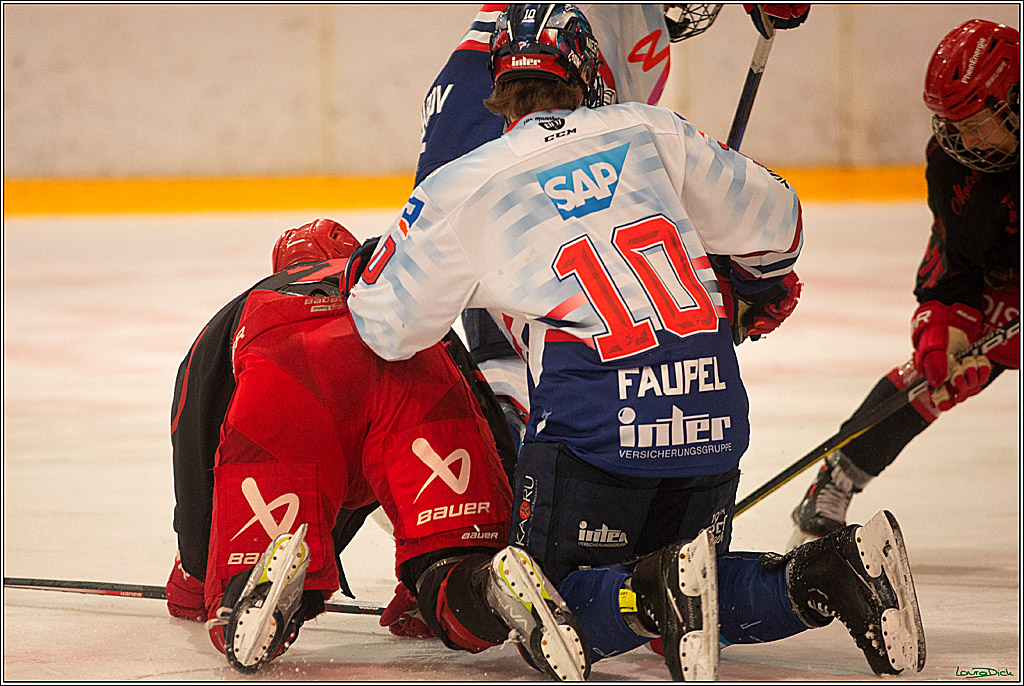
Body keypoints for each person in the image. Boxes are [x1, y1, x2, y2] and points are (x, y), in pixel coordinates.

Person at [349, 4, 924, 679]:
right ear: (592, 71)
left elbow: (388, 330)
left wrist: (372, 269)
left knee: (545, 612)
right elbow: (781, 224)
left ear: (498, 90)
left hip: (597, 433)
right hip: (710, 418)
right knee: (695, 585)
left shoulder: (469, 182)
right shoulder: (655, 129)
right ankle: (833, 569)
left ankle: (651, 589)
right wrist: (747, 280)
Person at [164, 218, 591, 679]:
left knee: (242, 593)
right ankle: (486, 584)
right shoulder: (386, 282)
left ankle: (261, 587)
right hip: (409, 366)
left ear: (282, 267)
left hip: (289, 367)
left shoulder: (249, 302)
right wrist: (481, 544)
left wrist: (194, 574)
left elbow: (194, 431)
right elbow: (478, 404)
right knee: (452, 575)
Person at [416, 3, 810, 444]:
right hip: (513, 89)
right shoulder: (585, 41)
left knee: (523, 344)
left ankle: (499, 464)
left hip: (485, 89)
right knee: (583, 347)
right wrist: (746, 280)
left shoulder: (628, 31)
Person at [788, 19, 1019, 547]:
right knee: (938, 371)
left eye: (977, 121)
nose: (964, 139)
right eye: (952, 123)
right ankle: (838, 477)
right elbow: (956, 256)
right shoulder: (954, 164)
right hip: (1001, 280)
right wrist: (944, 318)